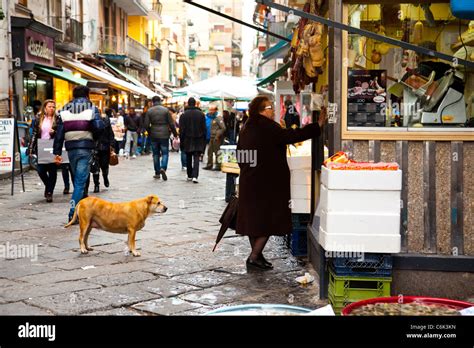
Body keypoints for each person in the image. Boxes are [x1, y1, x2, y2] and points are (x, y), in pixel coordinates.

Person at [236, 95, 326, 270]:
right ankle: (254, 257)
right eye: (270, 107)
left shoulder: (246, 127)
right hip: (267, 184)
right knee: (270, 218)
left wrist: (250, 168)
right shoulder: (267, 126)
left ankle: (257, 255)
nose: (273, 110)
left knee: (254, 220)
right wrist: (317, 126)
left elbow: (241, 156)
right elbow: (292, 136)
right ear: (262, 111)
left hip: (250, 180)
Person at [53, 85, 105, 223]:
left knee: (78, 180)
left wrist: (57, 152)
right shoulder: (92, 108)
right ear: (87, 95)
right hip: (86, 147)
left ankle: (82, 211)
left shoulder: (64, 109)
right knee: (79, 183)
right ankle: (72, 213)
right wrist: (94, 135)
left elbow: (59, 133)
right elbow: (99, 127)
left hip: (71, 149)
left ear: (74, 95)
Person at [28, 99, 59, 202]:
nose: (52, 108)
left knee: (52, 171)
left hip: (53, 146)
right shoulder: (39, 118)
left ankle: (49, 192)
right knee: (41, 170)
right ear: (45, 107)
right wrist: (31, 148)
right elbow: (34, 134)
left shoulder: (57, 118)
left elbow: (61, 132)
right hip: (41, 146)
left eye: (53, 107)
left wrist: (55, 132)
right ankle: (49, 186)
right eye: (49, 106)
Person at [143, 96, 178, 180]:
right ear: (160, 101)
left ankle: (157, 172)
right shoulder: (165, 110)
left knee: (155, 154)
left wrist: (150, 132)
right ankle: (163, 168)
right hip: (164, 134)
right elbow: (171, 124)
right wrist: (175, 133)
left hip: (154, 134)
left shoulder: (149, 111)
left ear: (152, 102)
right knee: (165, 152)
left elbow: (146, 125)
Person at [179, 97, 206, 183]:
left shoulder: (183, 115)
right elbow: (204, 129)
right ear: (195, 104)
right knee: (196, 157)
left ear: (188, 103)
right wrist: (204, 140)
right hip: (198, 138)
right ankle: (195, 176)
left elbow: (181, 129)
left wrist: (181, 140)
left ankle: (189, 175)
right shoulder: (201, 114)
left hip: (187, 138)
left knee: (188, 157)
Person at [91, 110, 114, 192]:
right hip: (95, 147)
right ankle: (96, 185)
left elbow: (110, 133)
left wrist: (111, 144)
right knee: (95, 167)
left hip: (105, 146)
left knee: (104, 166)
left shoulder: (106, 121)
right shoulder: (91, 122)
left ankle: (105, 177)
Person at [203, 105, 226, 171]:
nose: (210, 111)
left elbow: (223, 128)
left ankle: (218, 166)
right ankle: (209, 165)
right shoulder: (212, 118)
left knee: (217, 152)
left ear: (215, 110)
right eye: (210, 110)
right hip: (211, 137)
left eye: (211, 110)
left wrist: (217, 135)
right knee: (209, 151)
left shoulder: (218, 118)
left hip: (216, 138)